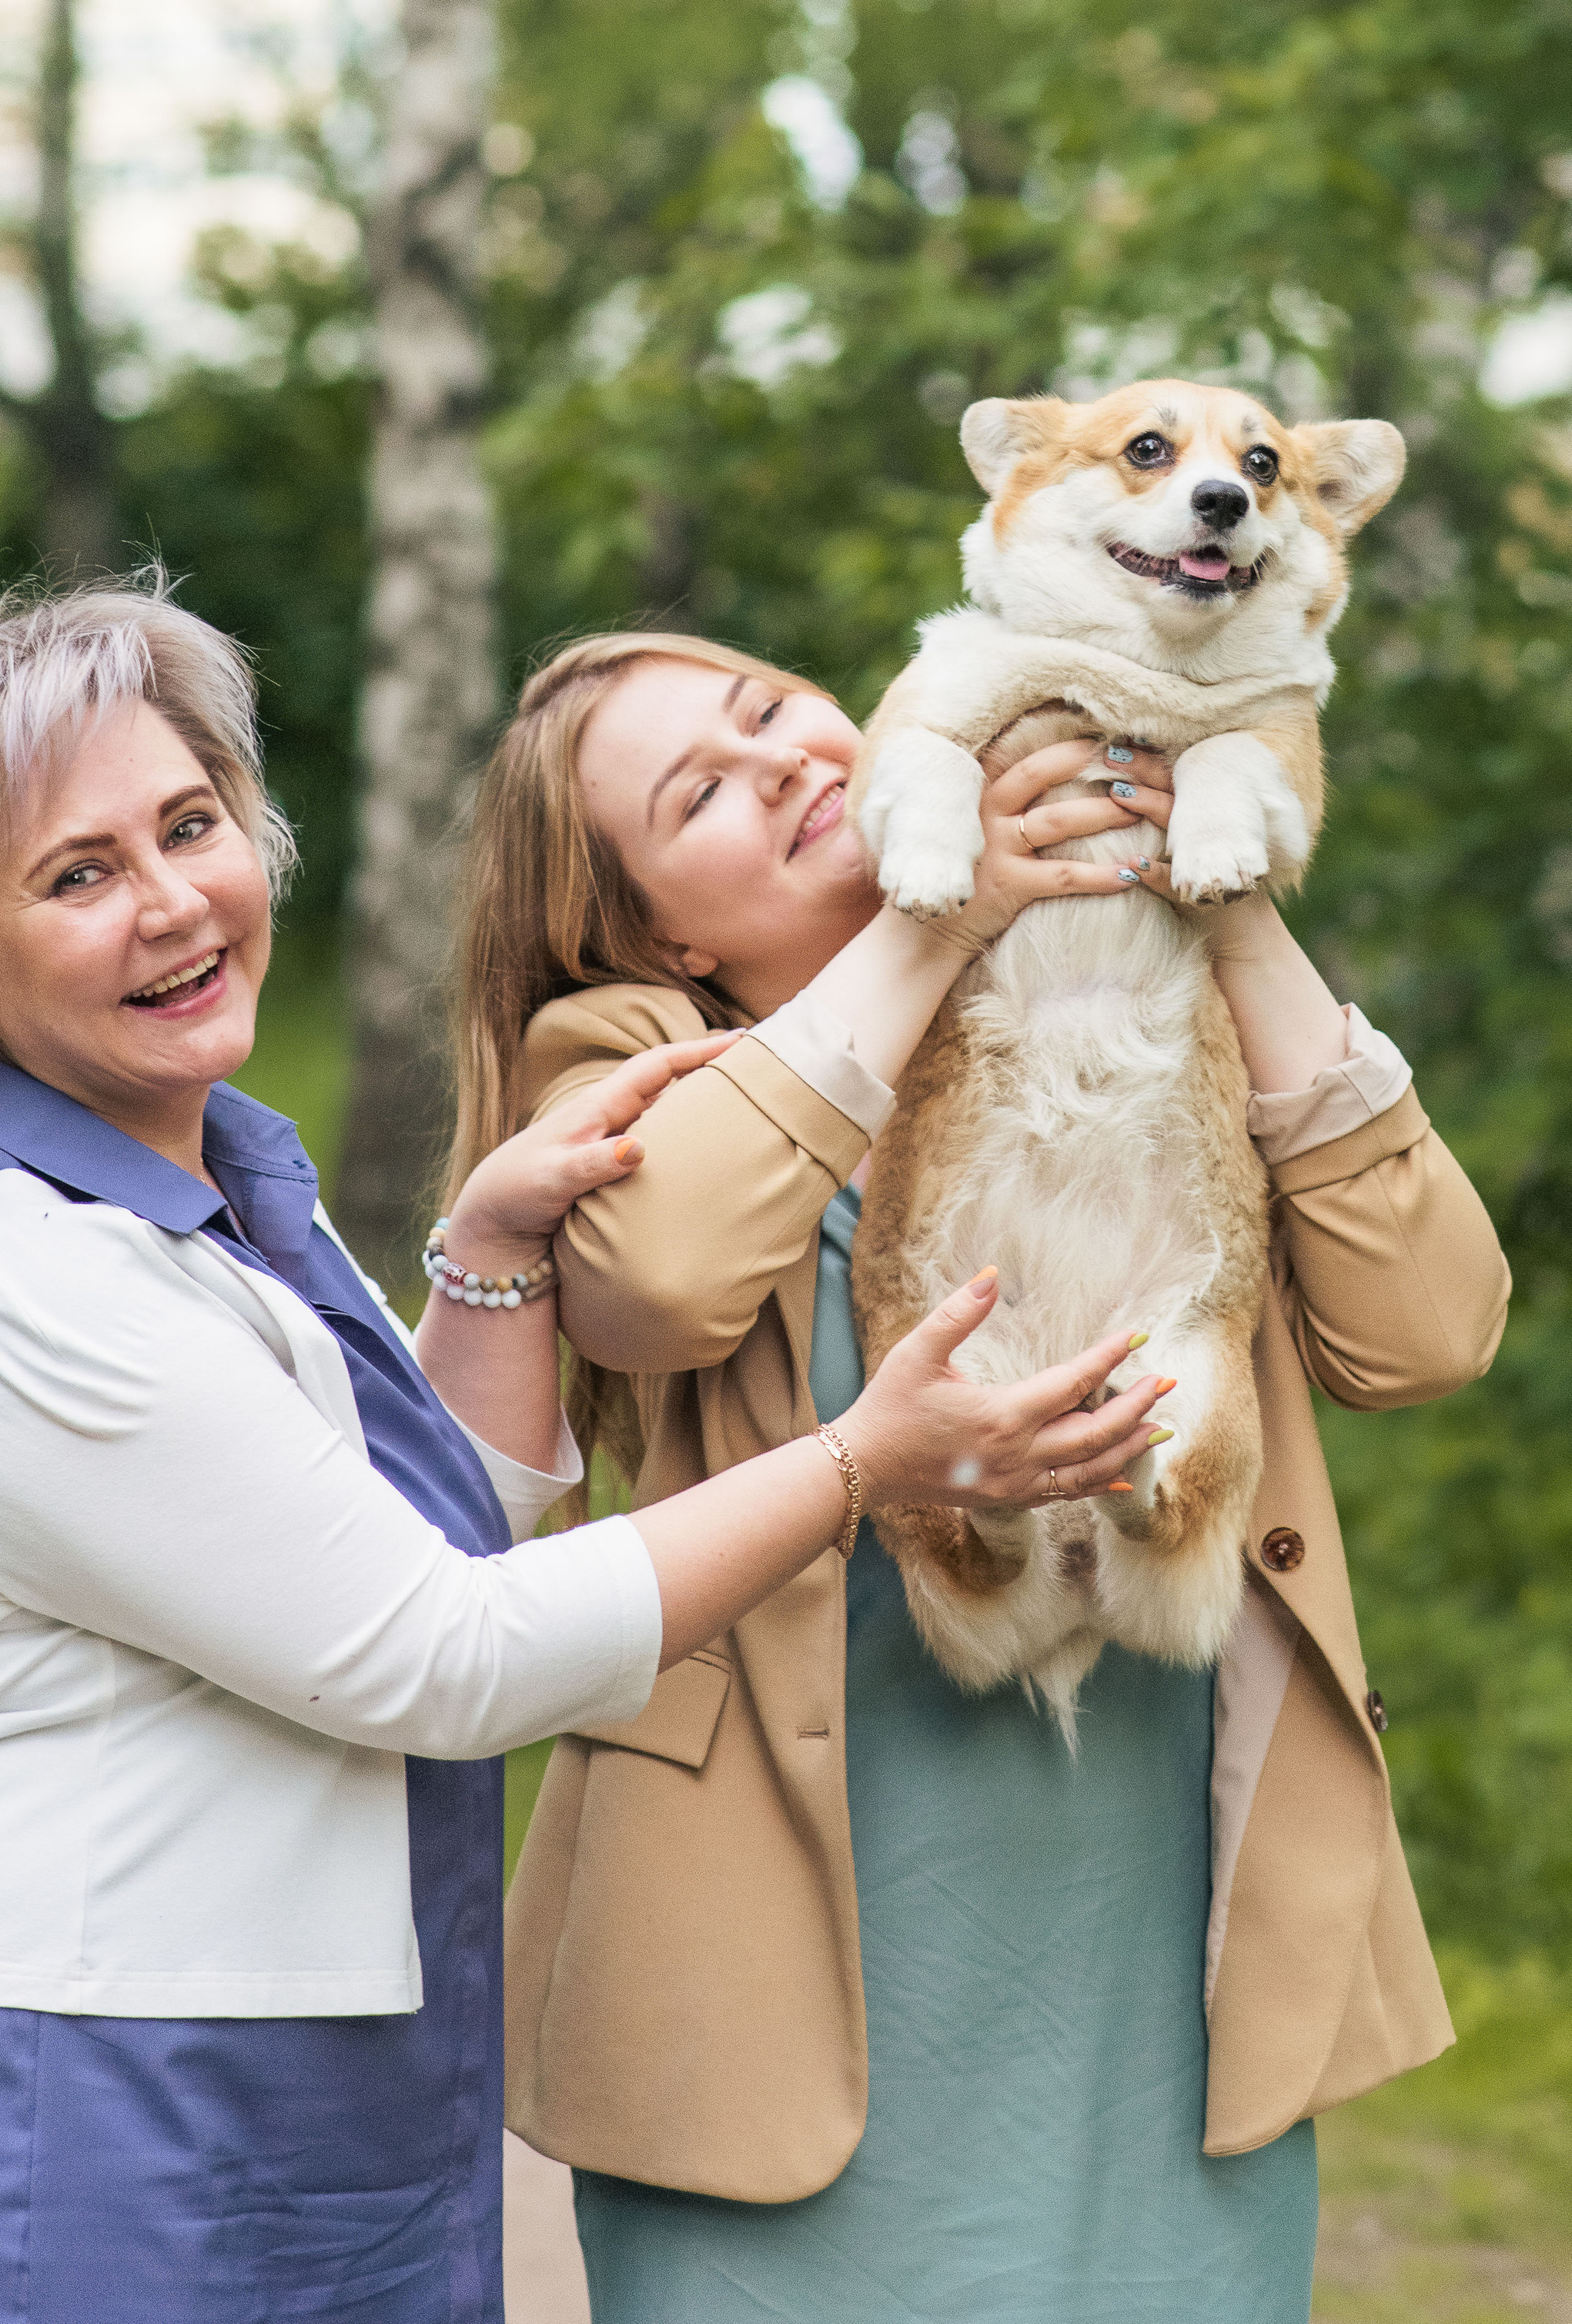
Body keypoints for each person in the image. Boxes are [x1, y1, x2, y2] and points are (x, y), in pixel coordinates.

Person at [0, 584, 1173, 2324]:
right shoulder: (19, 1281)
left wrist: (494, 1256)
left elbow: (436, 1541)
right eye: (76, 876)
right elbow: (440, 1655)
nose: (171, 903)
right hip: (72, 2101)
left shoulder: (209, 1208)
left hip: (295, 2068)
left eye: (192, 826)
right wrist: (857, 1464)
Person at [457, 629, 1512, 2322]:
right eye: (701, 793)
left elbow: (1429, 1329)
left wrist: (1229, 913)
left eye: (770, 713)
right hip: (776, 1961)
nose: (786, 764)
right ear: (661, 927)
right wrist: (924, 925)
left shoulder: (1120, 998)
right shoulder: (622, 1043)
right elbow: (651, 1286)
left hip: (1145, 1940)